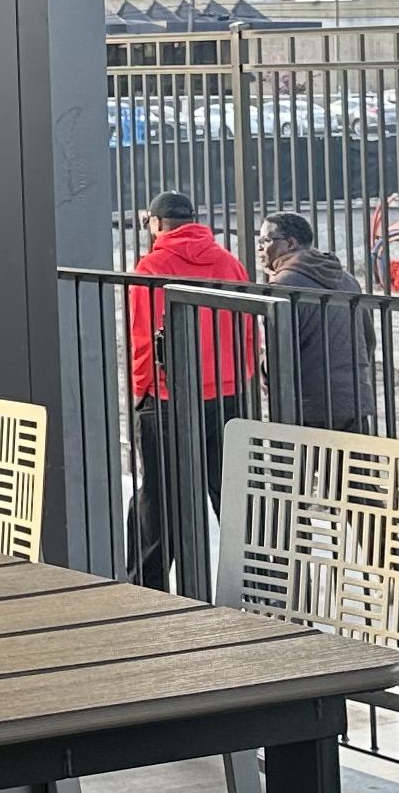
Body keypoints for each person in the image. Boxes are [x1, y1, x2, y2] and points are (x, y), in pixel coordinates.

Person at [122, 191, 249, 589]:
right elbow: (248, 329)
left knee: (159, 499)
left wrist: (141, 389)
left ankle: (149, 588)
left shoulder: (152, 266)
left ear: (158, 224)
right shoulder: (229, 263)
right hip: (227, 395)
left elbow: (142, 336)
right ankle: (255, 586)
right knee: (231, 495)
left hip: (168, 396)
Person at [255, 210, 371, 432]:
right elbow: (367, 339)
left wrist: (266, 380)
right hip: (355, 397)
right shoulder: (347, 280)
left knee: (306, 466)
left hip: (310, 403)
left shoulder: (282, 285)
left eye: (266, 240)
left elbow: (277, 352)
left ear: (290, 243)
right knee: (350, 466)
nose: (260, 248)